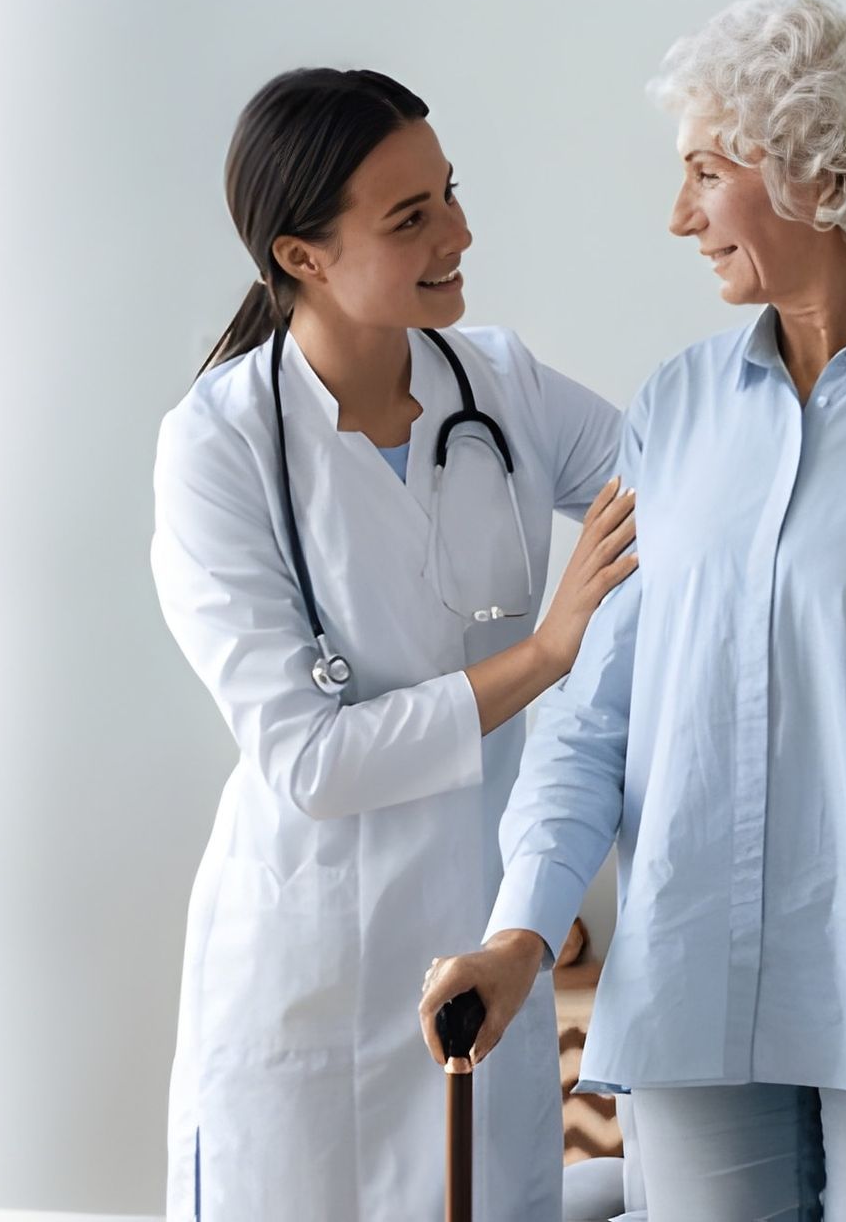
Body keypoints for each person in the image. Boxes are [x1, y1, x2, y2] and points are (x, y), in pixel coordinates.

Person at [420, 0, 846, 1222]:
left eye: (706, 171)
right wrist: (519, 933)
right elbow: (596, 721)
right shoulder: (674, 410)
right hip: (689, 991)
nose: (679, 215)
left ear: (825, 173)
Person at [151, 66, 635, 1221]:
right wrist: (545, 651)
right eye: (409, 217)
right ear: (302, 255)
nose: (458, 233)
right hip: (306, 971)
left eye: (449, 195)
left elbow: (701, 488)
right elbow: (311, 761)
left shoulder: (502, 383)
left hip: (477, 938)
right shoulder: (216, 449)